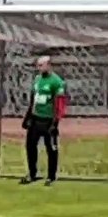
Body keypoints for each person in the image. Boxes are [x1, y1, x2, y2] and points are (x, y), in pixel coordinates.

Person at [20, 55, 67, 186]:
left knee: (51, 148)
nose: (39, 68)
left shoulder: (57, 82)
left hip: (48, 120)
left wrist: (55, 122)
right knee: (30, 146)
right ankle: (32, 173)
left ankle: (51, 176)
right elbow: (33, 99)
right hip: (36, 119)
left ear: (48, 65)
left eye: (41, 65)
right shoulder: (37, 79)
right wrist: (28, 117)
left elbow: (60, 105)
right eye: (38, 66)